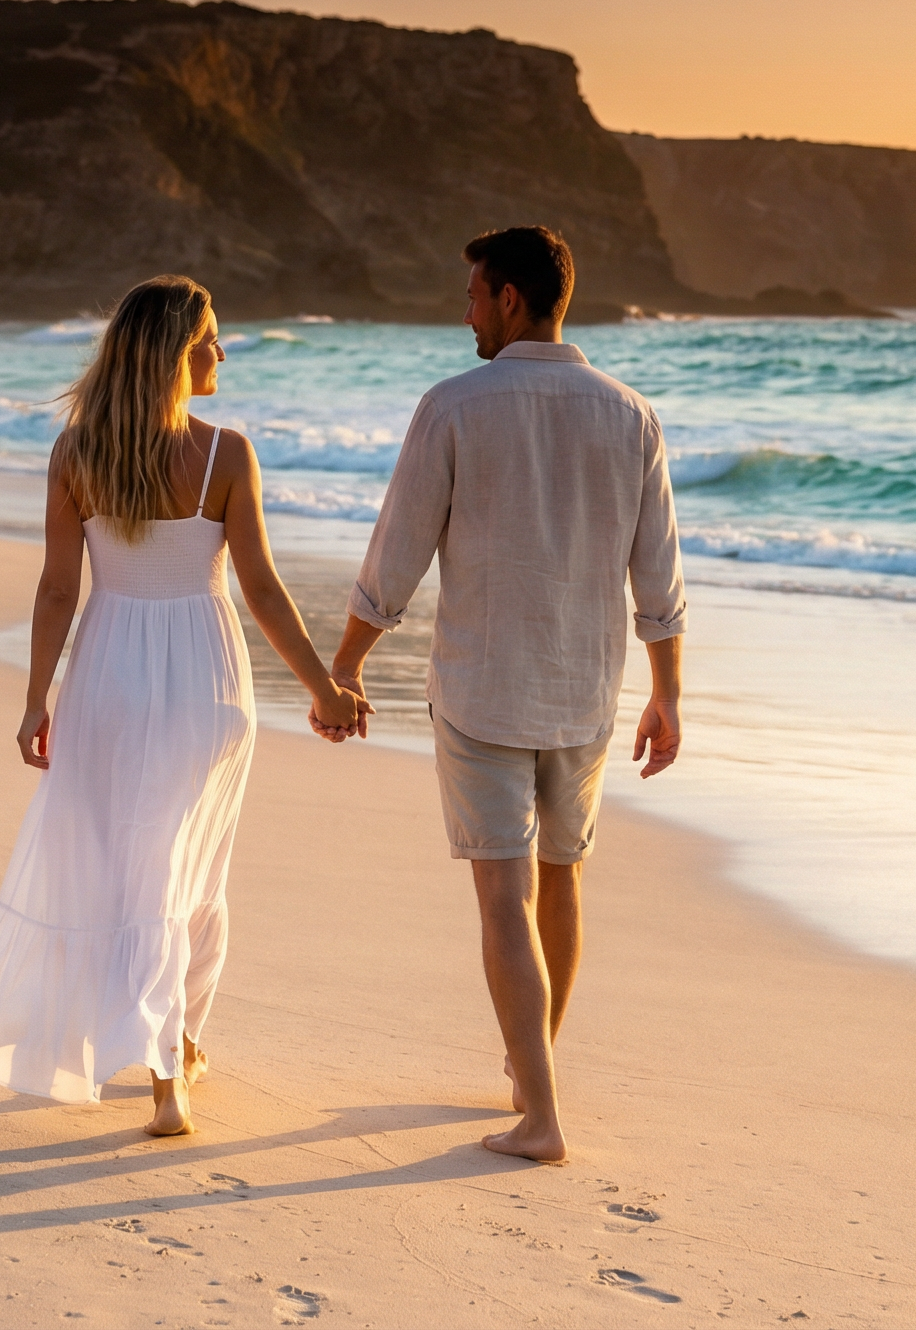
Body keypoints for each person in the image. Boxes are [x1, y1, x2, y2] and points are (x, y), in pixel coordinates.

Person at [0, 275, 367, 1138]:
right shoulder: (226, 454)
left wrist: (36, 698)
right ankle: (173, 1067)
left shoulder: (77, 454)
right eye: (209, 339)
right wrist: (321, 687)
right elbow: (261, 589)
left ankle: (163, 1052)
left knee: (126, 867)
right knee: (186, 868)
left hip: (108, 674)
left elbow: (58, 589)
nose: (221, 352)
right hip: (207, 678)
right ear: (174, 354)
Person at [323, 226, 686, 1164]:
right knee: (561, 879)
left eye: (475, 296)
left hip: (483, 688)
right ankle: (533, 1075)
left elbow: (396, 557)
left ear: (511, 299)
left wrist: (347, 666)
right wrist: (668, 695)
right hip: (584, 690)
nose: (468, 315)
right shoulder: (632, 414)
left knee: (502, 896)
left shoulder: (453, 405)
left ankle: (540, 1116)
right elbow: (659, 576)